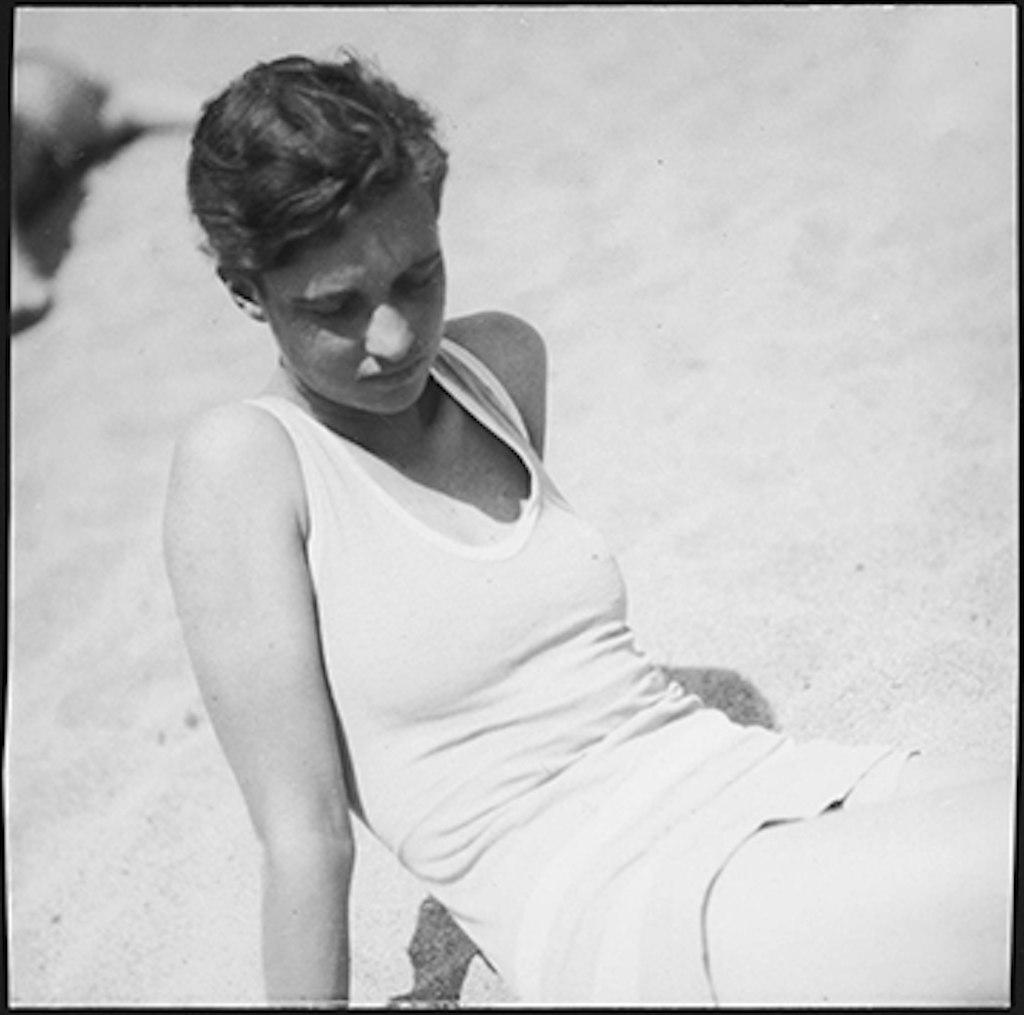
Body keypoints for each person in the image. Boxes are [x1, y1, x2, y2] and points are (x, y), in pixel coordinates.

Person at [164, 52, 1012, 1007]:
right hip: (610, 897)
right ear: (247, 291)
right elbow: (304, 832)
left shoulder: (498, 365)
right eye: (336, 308)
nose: (397, 336)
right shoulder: (246, 464)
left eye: (419, 274)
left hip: (739, 774)